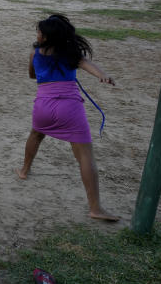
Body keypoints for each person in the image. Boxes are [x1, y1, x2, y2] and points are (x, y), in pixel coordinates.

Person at [17, 14, 119, 221]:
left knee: (35, 135)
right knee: (85, 157)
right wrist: (102, 75)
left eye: (39, 32)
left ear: (46, 37)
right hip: (69, 108)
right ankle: (95, 208)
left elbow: (32, 76)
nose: (37, 34)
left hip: (43, 106)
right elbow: (88, 65)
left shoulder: (35, 53)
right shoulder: (72, 54)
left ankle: (24, 170)